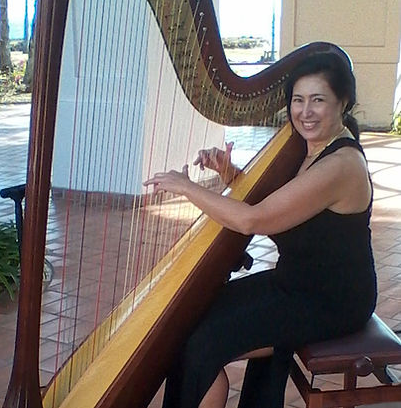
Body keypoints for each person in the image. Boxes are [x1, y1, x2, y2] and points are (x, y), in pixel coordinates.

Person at [143, 50, 377, 408]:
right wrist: (230, 174)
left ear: (343, 102)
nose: (305, 111)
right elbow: (282, 210)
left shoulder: (342, 164)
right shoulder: (308, 149)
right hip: (294, 283)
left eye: (318, 100)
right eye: (298, 100)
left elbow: (254, 220)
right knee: (189, 317)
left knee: (200, 342)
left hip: (331, 299)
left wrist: (187, 187)